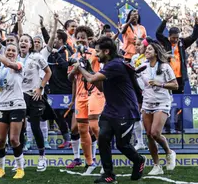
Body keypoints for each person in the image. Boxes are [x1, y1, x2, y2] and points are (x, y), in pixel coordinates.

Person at [74, 36, 146, 183]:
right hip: (111, 109)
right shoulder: (108, 65)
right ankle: (108, 174)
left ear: (106, 51)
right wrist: (88, 69)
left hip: (125, 111)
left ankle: (139, 160)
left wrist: (80, 67)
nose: (96, 54)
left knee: (122, 144)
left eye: (98, 51)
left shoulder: (115, 64)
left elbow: (92, 80)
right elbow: (100, 87)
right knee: (103, 139)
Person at [67, 26, 104, 173]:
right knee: (82, 129)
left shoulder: (95, 53)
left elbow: (101, 71)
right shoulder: (73, 56)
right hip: (80, 96)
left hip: (94, 92)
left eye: (83, 36)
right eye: (78, 36)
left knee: (95, 127)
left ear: (89, 38)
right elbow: (70, 78)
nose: (81, 39)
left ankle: (105, 160)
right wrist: (75, 70)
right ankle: (90, 163)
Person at [0, 44, 26, 179]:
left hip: (17, 105)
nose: (10, 52)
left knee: (14, 139)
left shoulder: (20, 65)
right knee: (0, 140)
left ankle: (20, 168)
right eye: (8, 50)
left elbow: (10, 64)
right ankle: (0, 169)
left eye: (13, 50)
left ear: (17, 53)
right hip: (2, 106)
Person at [139, 42, 178, 175]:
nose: (147, 50)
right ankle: (157, 166)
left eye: (150, 49)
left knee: (155, 133)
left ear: (156, 52)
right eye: (146, 49)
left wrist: (160, 84)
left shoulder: (165, 66)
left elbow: (175, 85)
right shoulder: (142, 66)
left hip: (162, 102)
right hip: (147, 102)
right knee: (149, 135)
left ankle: (169, 152)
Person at [156, 13, 198, 132]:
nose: (175, 39)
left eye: (177, 37)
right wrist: (164, 21)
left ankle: (179, 126)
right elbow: (158, 34)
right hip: (168, 78)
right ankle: (167, 125)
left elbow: (194, 36)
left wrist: (196, 25)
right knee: (167, 101)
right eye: (173, 37)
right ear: (169, 36)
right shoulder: (166, 42)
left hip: (180, 78)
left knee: (180, 103)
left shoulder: (182, 43)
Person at [18, 34, 52, 171]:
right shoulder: (14, 57)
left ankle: (42, 158)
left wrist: (40, 87)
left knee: (35, 127)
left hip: (34, 96)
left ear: (30, 45)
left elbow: (48, 72)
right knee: (18, 128)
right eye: (21, 41)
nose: (23, 43)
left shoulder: (37, 57)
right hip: (19, 97)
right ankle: (19, 160)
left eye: (26, 41)